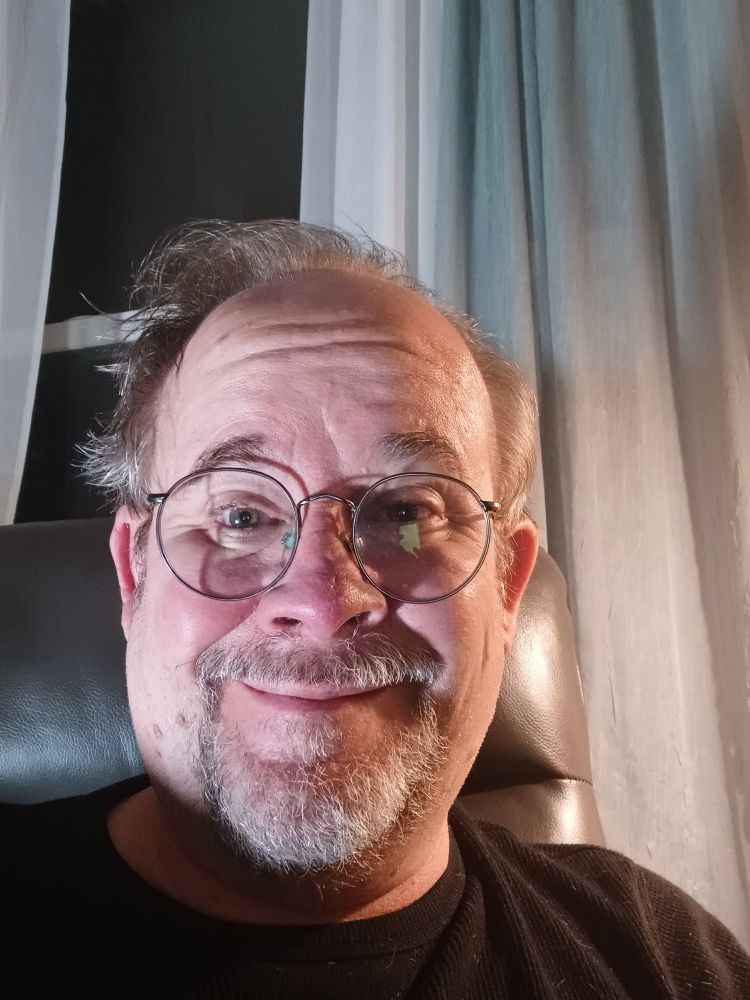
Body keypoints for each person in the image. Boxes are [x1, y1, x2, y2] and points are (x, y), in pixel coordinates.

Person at [2, 220, 748, 998]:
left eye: (407, 513)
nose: (322, 601)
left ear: (507, 588)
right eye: (240, 516)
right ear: (134, 573)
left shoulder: (659, 961)